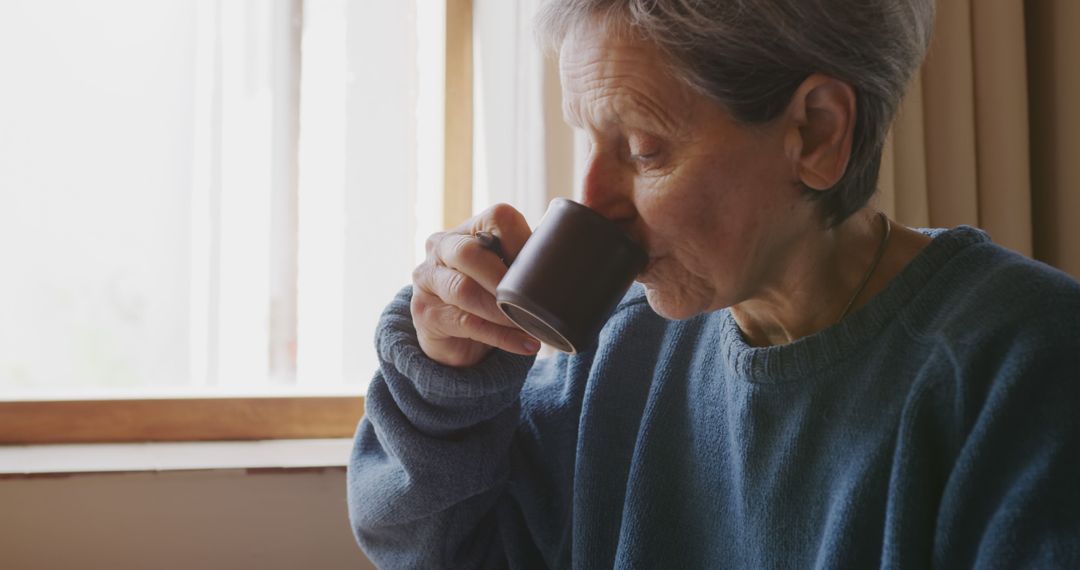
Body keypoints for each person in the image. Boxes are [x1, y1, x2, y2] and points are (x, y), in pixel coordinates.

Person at [347, 0, 1080, 567]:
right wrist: (448, 383)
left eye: (644, 149)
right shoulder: (621, 348)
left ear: (818, 134)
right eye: (588, 137)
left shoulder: (1025, 365)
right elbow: (443, 554)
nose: (590, 196)